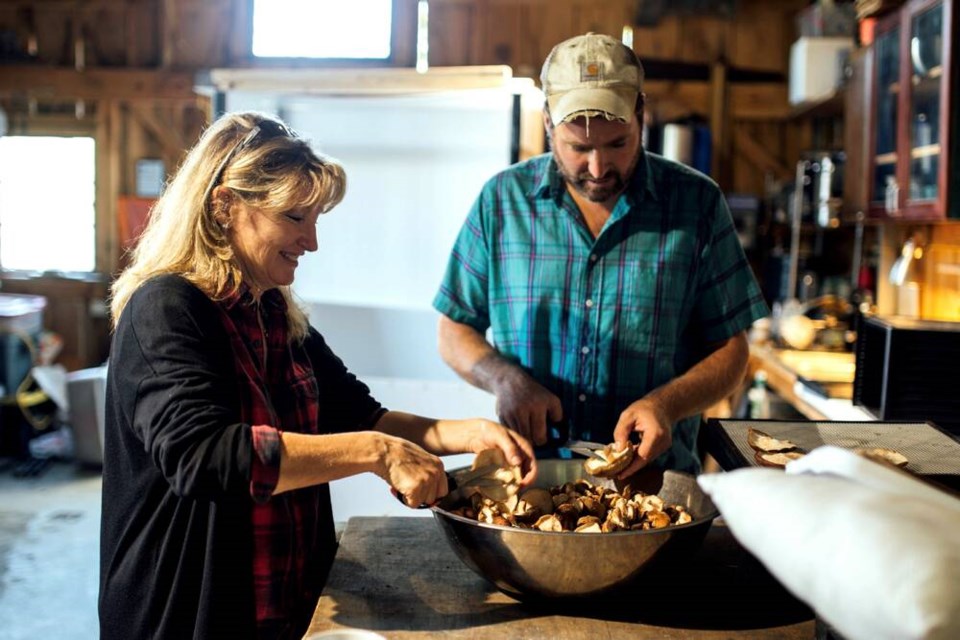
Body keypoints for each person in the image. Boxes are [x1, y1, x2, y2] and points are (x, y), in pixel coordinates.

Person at [99, 111, 537, 640]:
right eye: (294, 217)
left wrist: (464, 434)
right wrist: (378, 453)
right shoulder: (166, 308)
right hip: (188, 615)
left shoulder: (273, 313)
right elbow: (205, 457)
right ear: (224, 207)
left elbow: (362, 415)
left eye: (315, 219)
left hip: (284, 607)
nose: (312, 241)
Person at [433, 33, 769, 476]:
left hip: (655, 485)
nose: (597, 168)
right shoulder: (502, 201)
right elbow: (454, 329)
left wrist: (665, 406)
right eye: (578, 148)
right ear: (549, 123)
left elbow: (731, 351)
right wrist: (505, 379)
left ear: (641, 116)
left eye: (617, 144)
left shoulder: (696, 204)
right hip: (530, 483)